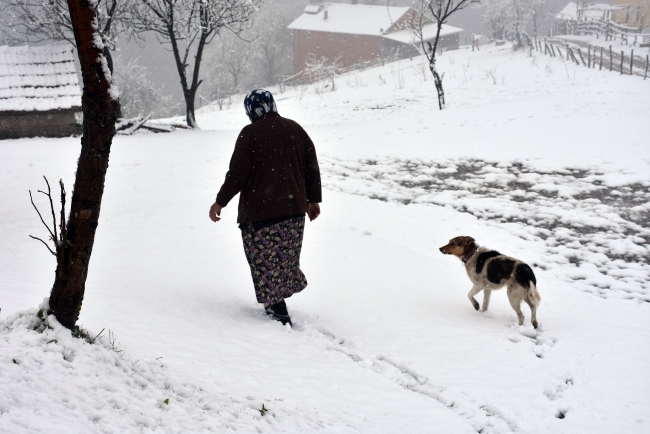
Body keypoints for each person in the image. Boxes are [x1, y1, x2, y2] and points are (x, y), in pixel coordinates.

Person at [209, 89, 322, 326]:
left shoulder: (250, 133)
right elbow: (311, 166)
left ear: (251, 110)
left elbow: (238, 173)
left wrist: (220, 201)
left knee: (264, 264)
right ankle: (277, 306)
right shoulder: (295, 129)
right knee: (285, 260)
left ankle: (279, 314)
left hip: (260, 214)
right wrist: (312, 200)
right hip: (293, 212)